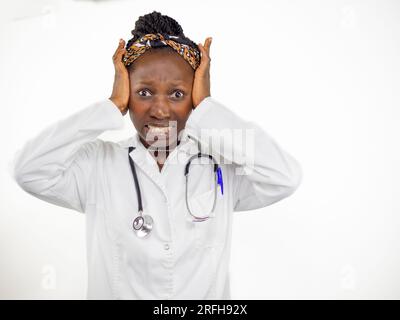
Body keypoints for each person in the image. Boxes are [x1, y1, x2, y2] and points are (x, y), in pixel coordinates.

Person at [11, 11, 302, 300]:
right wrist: (110, 106)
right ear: (126, 92)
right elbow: (28, 170)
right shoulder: (97, 164)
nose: (160, 110)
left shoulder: (220, 165)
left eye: (177, 94)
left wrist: (208, 109)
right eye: (144, 92)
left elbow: (284, 177)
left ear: (194, 97)